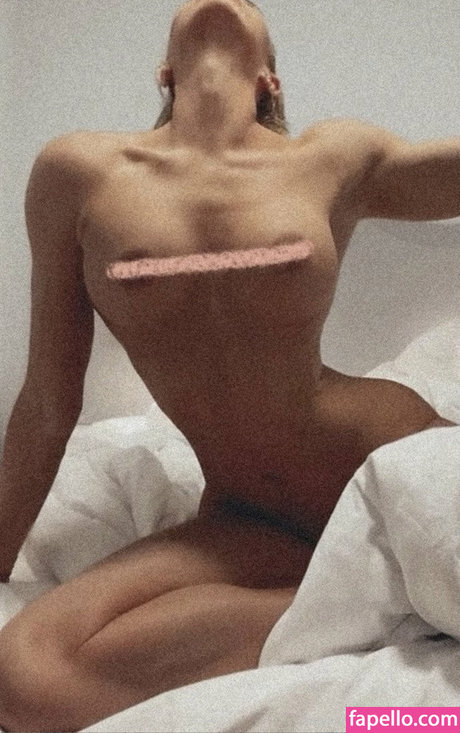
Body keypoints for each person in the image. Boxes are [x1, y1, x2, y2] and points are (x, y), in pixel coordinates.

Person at [0, 0, 458, 730]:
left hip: (382, 464)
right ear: (165, 73)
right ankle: (374, 606)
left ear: (269, 80)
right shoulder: (77, 174)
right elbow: (49, 403)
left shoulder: (329, 157)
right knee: (25, 676)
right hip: (249, 518)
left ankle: (378, 594)